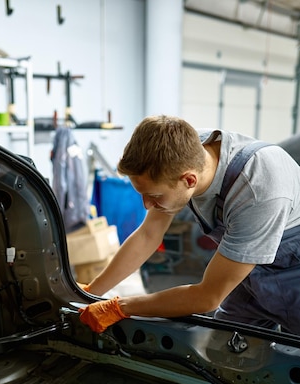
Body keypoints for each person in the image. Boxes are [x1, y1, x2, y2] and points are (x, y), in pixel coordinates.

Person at [79, 115, 300, 335]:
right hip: (250, 273)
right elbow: (148, 235)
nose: (147, 205)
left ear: (190, 180)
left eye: (153, 195)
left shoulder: (256, 190)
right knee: (225, 350)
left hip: (293, 279)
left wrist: (121, 307)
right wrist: (90, 293)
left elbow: (207, 297)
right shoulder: (185, 151)